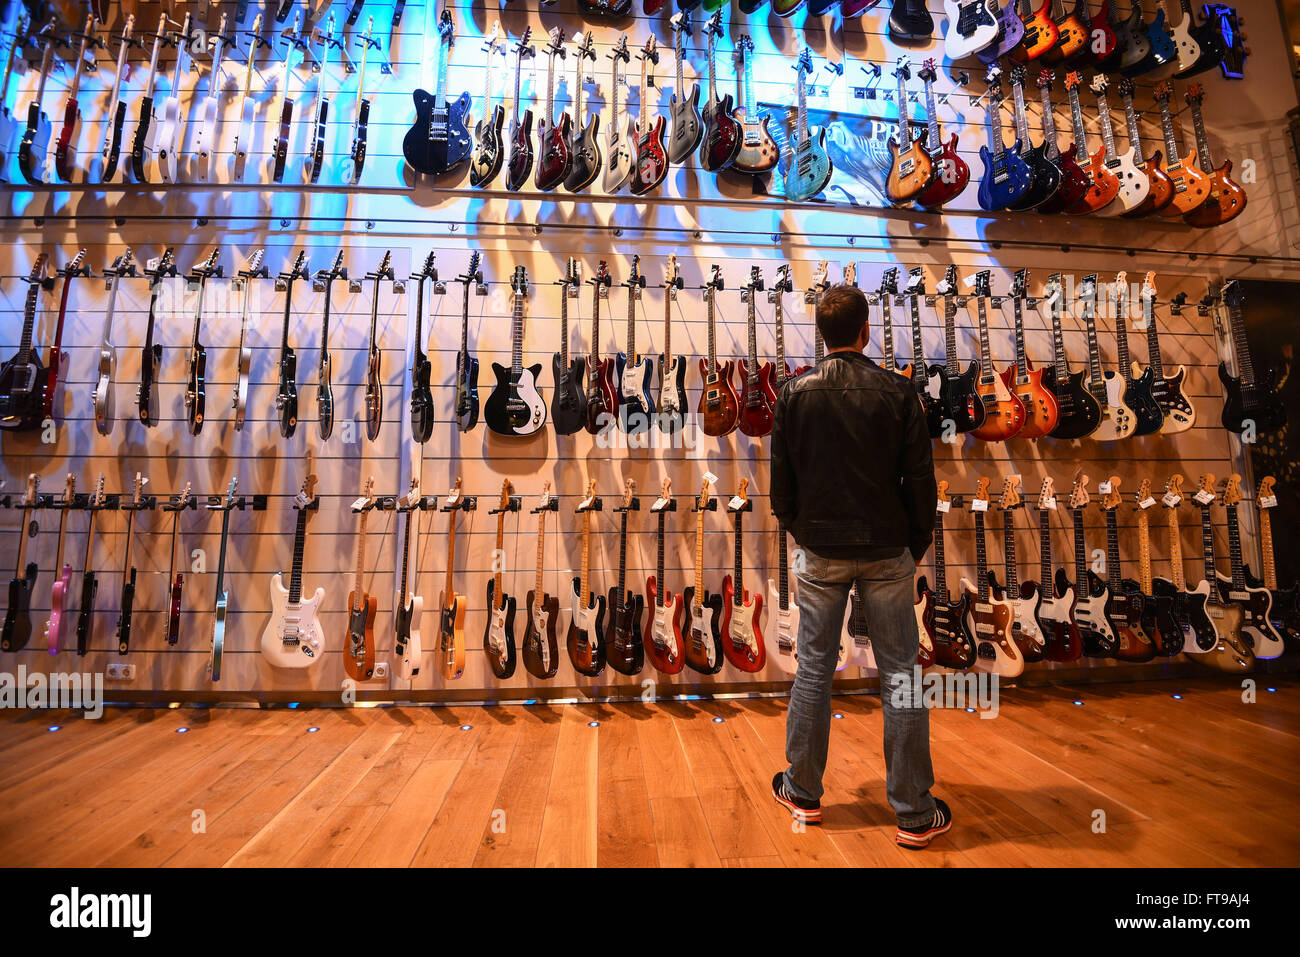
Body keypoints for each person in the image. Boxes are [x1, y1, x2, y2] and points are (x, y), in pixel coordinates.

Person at [768, 282, 949, 850]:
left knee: (814, 671)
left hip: (820, 551)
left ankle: (803, 793)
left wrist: (810, 535)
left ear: (821, 335)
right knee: (902, 678)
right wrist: (912, 546)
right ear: (866, 330)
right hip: (887, 551)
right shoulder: (898, 392)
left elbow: (781, 493)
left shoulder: (794, 394)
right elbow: (921, 483)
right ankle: (915, 814)